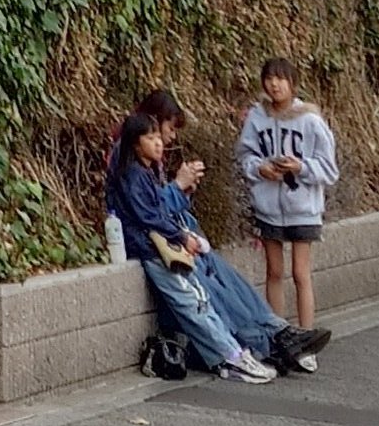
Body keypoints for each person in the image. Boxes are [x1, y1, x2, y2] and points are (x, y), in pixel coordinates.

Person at [107, 90, 321, 380]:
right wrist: (178, 190)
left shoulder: (145, 161)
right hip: (157, 246)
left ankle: (275, 334)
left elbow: (155, 207)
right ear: (145, 131)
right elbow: (147, 212)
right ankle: (256, 346)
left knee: (227, 281)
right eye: (165, 130)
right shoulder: (129, 163)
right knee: (207, 294)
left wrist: (182, 193)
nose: (167, 139)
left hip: (171, 237)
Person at [239, 57, 340, 333]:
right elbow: (245, 155)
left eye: (281, 78)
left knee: (300, 273)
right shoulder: (257, 117)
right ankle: (279, 334)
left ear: (293, 83)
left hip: (303, 207)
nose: (274, 84)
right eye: (269, 79)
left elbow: (329, 168)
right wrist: (260, 168)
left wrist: (301, 167)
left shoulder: (310, 119)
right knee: (273, 271)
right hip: (268, 207)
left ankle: (306, 336)